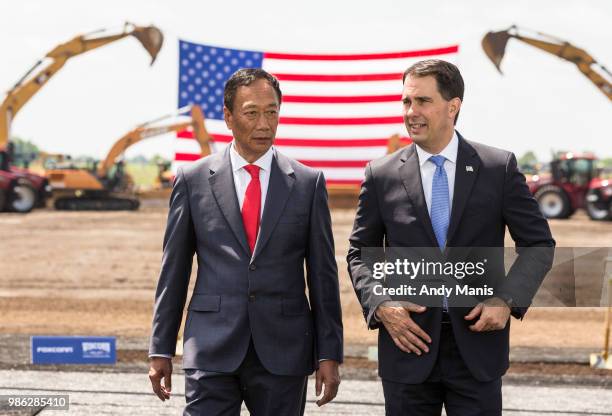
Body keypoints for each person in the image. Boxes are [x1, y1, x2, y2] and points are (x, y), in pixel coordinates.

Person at [347, 59, 555, 415]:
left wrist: (505, 301)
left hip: (477, 348)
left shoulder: (497, 168)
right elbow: (360, 252)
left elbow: (538, 245)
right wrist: (381, 303)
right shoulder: (380, 174)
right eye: (406, 102)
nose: (411, 112)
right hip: (406, 345)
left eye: (422, 101)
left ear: (453, 106)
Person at [148, 68, 343, 416]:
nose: (264, 124)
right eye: (252, 113)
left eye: (272, 112)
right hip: (210, 347)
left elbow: (323, 277)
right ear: (228, 116)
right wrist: (160, 347)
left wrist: (329, 353)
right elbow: (173, 271)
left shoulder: (308, 183)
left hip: (285, 351)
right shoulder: (192, 180)